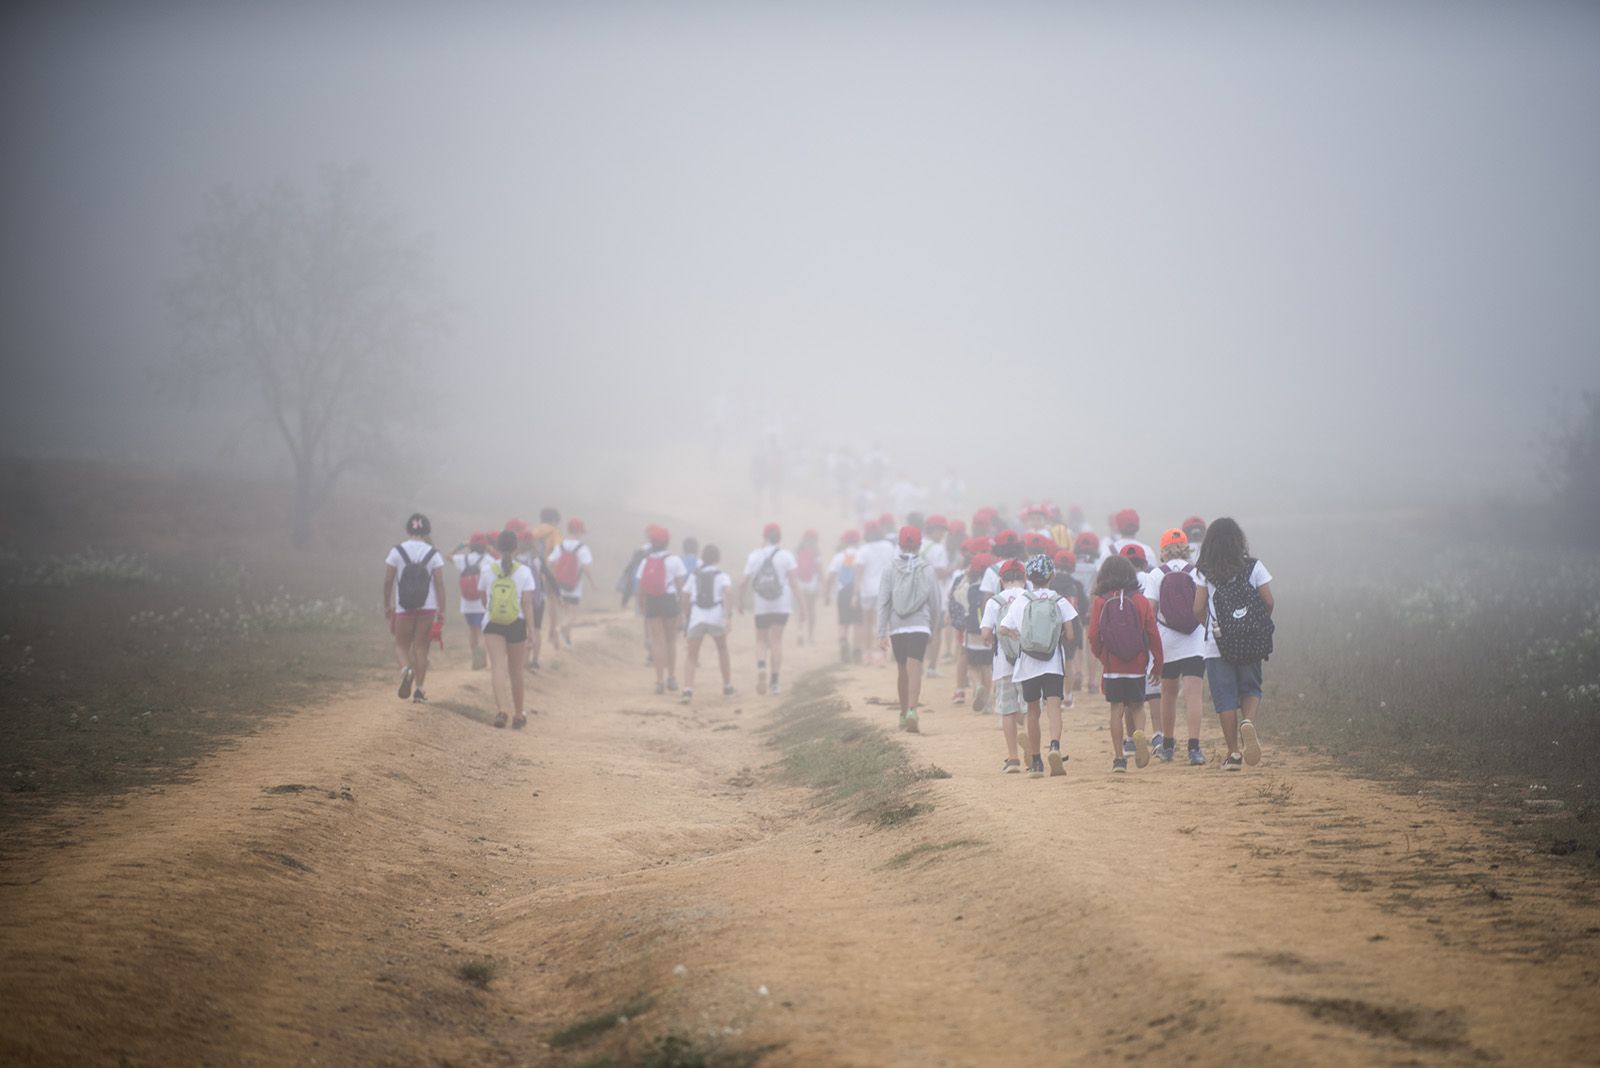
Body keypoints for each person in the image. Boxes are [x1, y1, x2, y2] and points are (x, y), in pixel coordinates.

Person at [1193, 517, 1275, 772]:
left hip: (1217, 643)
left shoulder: (1204, 571)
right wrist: (1254, 625)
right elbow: (1269, 601)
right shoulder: (1254, 566)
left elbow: (1197, 608)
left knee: (1225, 697)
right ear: (1239, 540)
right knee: (1251, 687)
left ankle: (1233, 753)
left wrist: (1213, 626)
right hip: (1251, 640)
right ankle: (1247, 722)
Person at [998, 555, 1078, 778]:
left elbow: (1002, 628)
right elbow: (1071, 635)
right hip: (1052, 663)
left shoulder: (1021, 601)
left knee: (1033, 711)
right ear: (1052, 576)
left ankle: (1036, 762)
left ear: (1029, 578)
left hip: (1028, 663)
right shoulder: (1060, 600)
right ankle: (1054, 746)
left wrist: (1015, 633)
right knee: (1054, 707)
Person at [1088, 554, 1163, 773]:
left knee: (1116, 710)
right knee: (1137, 706)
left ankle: (1119, 759)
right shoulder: (1140, 600)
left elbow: (1093, 635)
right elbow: (1153, 633)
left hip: (1112, 666)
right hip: (1137, 665)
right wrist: (1157, 663)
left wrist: (1103, 656)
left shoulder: (1100, 601)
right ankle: (1139, 736)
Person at [1150, 528, 1208, 765]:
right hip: (1195, 640)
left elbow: (1151, 611)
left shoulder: (1156, 574)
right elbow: (1203, 606)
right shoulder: (1196, 572)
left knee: (1168, 693)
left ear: (1163, 550)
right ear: (1185, 548)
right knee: (1194, 694)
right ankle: (1194, 748)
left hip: (1167, 642)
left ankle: (1168, 745)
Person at [877, 525, 941, 734]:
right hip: (920, 625)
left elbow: (883, 601)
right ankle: (913, 710)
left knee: (902, 669)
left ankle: (903, 713)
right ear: (919, 545)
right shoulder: (927, 569)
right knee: (915, 668)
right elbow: (935, 602)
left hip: (897, 627)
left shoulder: (890, 568)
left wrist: (881, 632)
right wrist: (933, 628)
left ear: (899, 544)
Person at [383, 513, 447, 705]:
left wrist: (387, 605)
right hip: (427, 607)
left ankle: (406, 670)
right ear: (427, 531)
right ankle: (419, 690)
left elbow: (388, 581)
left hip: (404, 606)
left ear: (408, 529)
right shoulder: (433, 554)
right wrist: (441, 610)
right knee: (421, 647)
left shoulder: (397, 551)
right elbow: (439, 584)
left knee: (401, 645)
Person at [479, 529, 537, 728]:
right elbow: (527, 604)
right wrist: (532, 631)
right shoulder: (524, 571)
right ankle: (519, 715)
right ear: (516, 548)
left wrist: (492, 610)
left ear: (496, 547)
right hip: (516, 623)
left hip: (493, 622)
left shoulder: (487, 569)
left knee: (498, 666)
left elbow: (483, 599)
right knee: (516, 671)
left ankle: (502, 710)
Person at [979, 558, 1030, 772]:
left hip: (1003, 664)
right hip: (1029, 663)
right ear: (1025, 578)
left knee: (1007, 711)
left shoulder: (995, 602)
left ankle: (1013, 758)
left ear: (1001, 580)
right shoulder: (1030, 598)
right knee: (1030, 708)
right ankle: (1033, 748)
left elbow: (985, 634)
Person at [740, 523, 803, 696]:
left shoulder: (755, 556)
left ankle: (761, 665)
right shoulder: (787, 556)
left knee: (761, 640)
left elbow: (743, 582)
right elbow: (794, 584)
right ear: (779, 537)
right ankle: (775, 682)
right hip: (781, 604)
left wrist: (740, 601)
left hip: (761, 605)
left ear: (764, 537)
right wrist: (802, 605)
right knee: (776, 641)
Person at [680, 544, 734, 702]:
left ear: (702, 557)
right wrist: (728, 616)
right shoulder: (721, 575)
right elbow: (728, 592)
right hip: (716, 616)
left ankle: (687, 690)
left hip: (697, 616)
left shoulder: (694, 575)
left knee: (691, 655)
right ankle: (727, 687)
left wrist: (686, 614)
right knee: (722, 650)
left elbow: (685, 595)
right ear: (718, 558)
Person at [636, 525, 687, 694]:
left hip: (652, 602)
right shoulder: (675, 560)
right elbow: (680, 587)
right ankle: (671, 678)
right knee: (671, 641)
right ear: (667, 542)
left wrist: (643, 607)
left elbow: (640, 589)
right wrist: (682, 610)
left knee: (658, 642)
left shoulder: (645, 561)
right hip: (669, 601)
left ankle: (659, 682)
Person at [951, 550, 995, 711]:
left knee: (973, 666)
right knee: (987, 667)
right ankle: (987, 701)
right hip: (988, 631)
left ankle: (977, 685)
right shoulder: (992, 589)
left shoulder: (968, 587)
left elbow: (959, 603)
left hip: (971, 631)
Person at [548, 519, 595, 649]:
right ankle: (559, 629)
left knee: (566, 612)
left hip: (559, 584)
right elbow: (585, 567)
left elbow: (550, 562)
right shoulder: (582, 548)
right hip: (574, 587)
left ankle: (567, 641)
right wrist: (592, 583)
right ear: (579, 531)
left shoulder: (561, 545)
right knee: (572, 615)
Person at [855, 520, 897, 667]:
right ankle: (881, 656)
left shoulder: (863, 550)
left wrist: (855, 593)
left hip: (867, 591)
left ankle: (867, 655)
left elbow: (859, 574)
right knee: (882, 625)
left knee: (867, 623)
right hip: (884, 590)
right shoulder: (889, 547)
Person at [1048, 549, 1088, 697]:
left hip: (1050, 625)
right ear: (1073, 566)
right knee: (1069, 660)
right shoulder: (1076, 584)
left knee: (1051, 661)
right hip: (1072, 624)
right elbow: (1083, 607)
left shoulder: (1049, 583)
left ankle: (1052, 694)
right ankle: (1068, 696)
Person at [918, 515, 952, 677]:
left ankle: (918, 665)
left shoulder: (917, 544)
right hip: (934, 594)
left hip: (917, 593)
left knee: (920, 630)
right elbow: (939, 573)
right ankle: (931, 667)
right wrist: (954, 569)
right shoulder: (938, 548)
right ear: (935, 530)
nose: (943, 534)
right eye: (942, 530)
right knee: (936, 631)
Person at [824, 529, 865, 663]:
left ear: (844, 541)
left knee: (843, 623)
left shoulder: (839, 557)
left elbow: (830, 577)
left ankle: (844, 649)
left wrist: (827, 594)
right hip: (858, 592)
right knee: (858, 623)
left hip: (842, 593)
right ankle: (857, 652)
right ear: (857, 540)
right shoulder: (862, 554)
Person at [453, 532, 491, 671]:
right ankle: (482, 659)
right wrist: (490, 549)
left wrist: (462, 545)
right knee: (482, 631)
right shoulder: (488, 560)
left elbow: (448, 556)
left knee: (472, 630)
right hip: (482, 601)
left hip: (467, 602)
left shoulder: (464, 559)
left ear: (471, 545)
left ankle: (475, 657)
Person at [528, 507, 563, 657]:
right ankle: (553, 632)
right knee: (552, 600)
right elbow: (558, 552)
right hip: (547, 570)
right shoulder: (554, 532)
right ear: (554, 520)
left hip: (532, 571)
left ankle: (531, 635)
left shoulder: (533, 532)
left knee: (532, 602)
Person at [793, 529, 822, 647]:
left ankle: (800, 631)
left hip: (800, 583)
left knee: (801, 608)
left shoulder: (797, 550)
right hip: (812, 584)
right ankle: (811, 636)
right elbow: (819, 569)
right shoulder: (816, 552)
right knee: (811, 610)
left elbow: (793, 568)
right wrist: (823, 583)